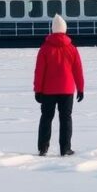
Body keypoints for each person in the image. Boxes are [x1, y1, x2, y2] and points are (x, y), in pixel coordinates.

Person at [34, 15, 85, 156]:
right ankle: (65, 148)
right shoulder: (72, 49)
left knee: (46, 118)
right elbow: (78, 70)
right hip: (67, 90)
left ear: (52, 30)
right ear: (65, 30)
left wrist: (37, 90)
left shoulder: (44, 49)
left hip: (48, 91)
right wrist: (80, 88)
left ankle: (43, 148)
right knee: (66, 119)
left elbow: (39, 72)